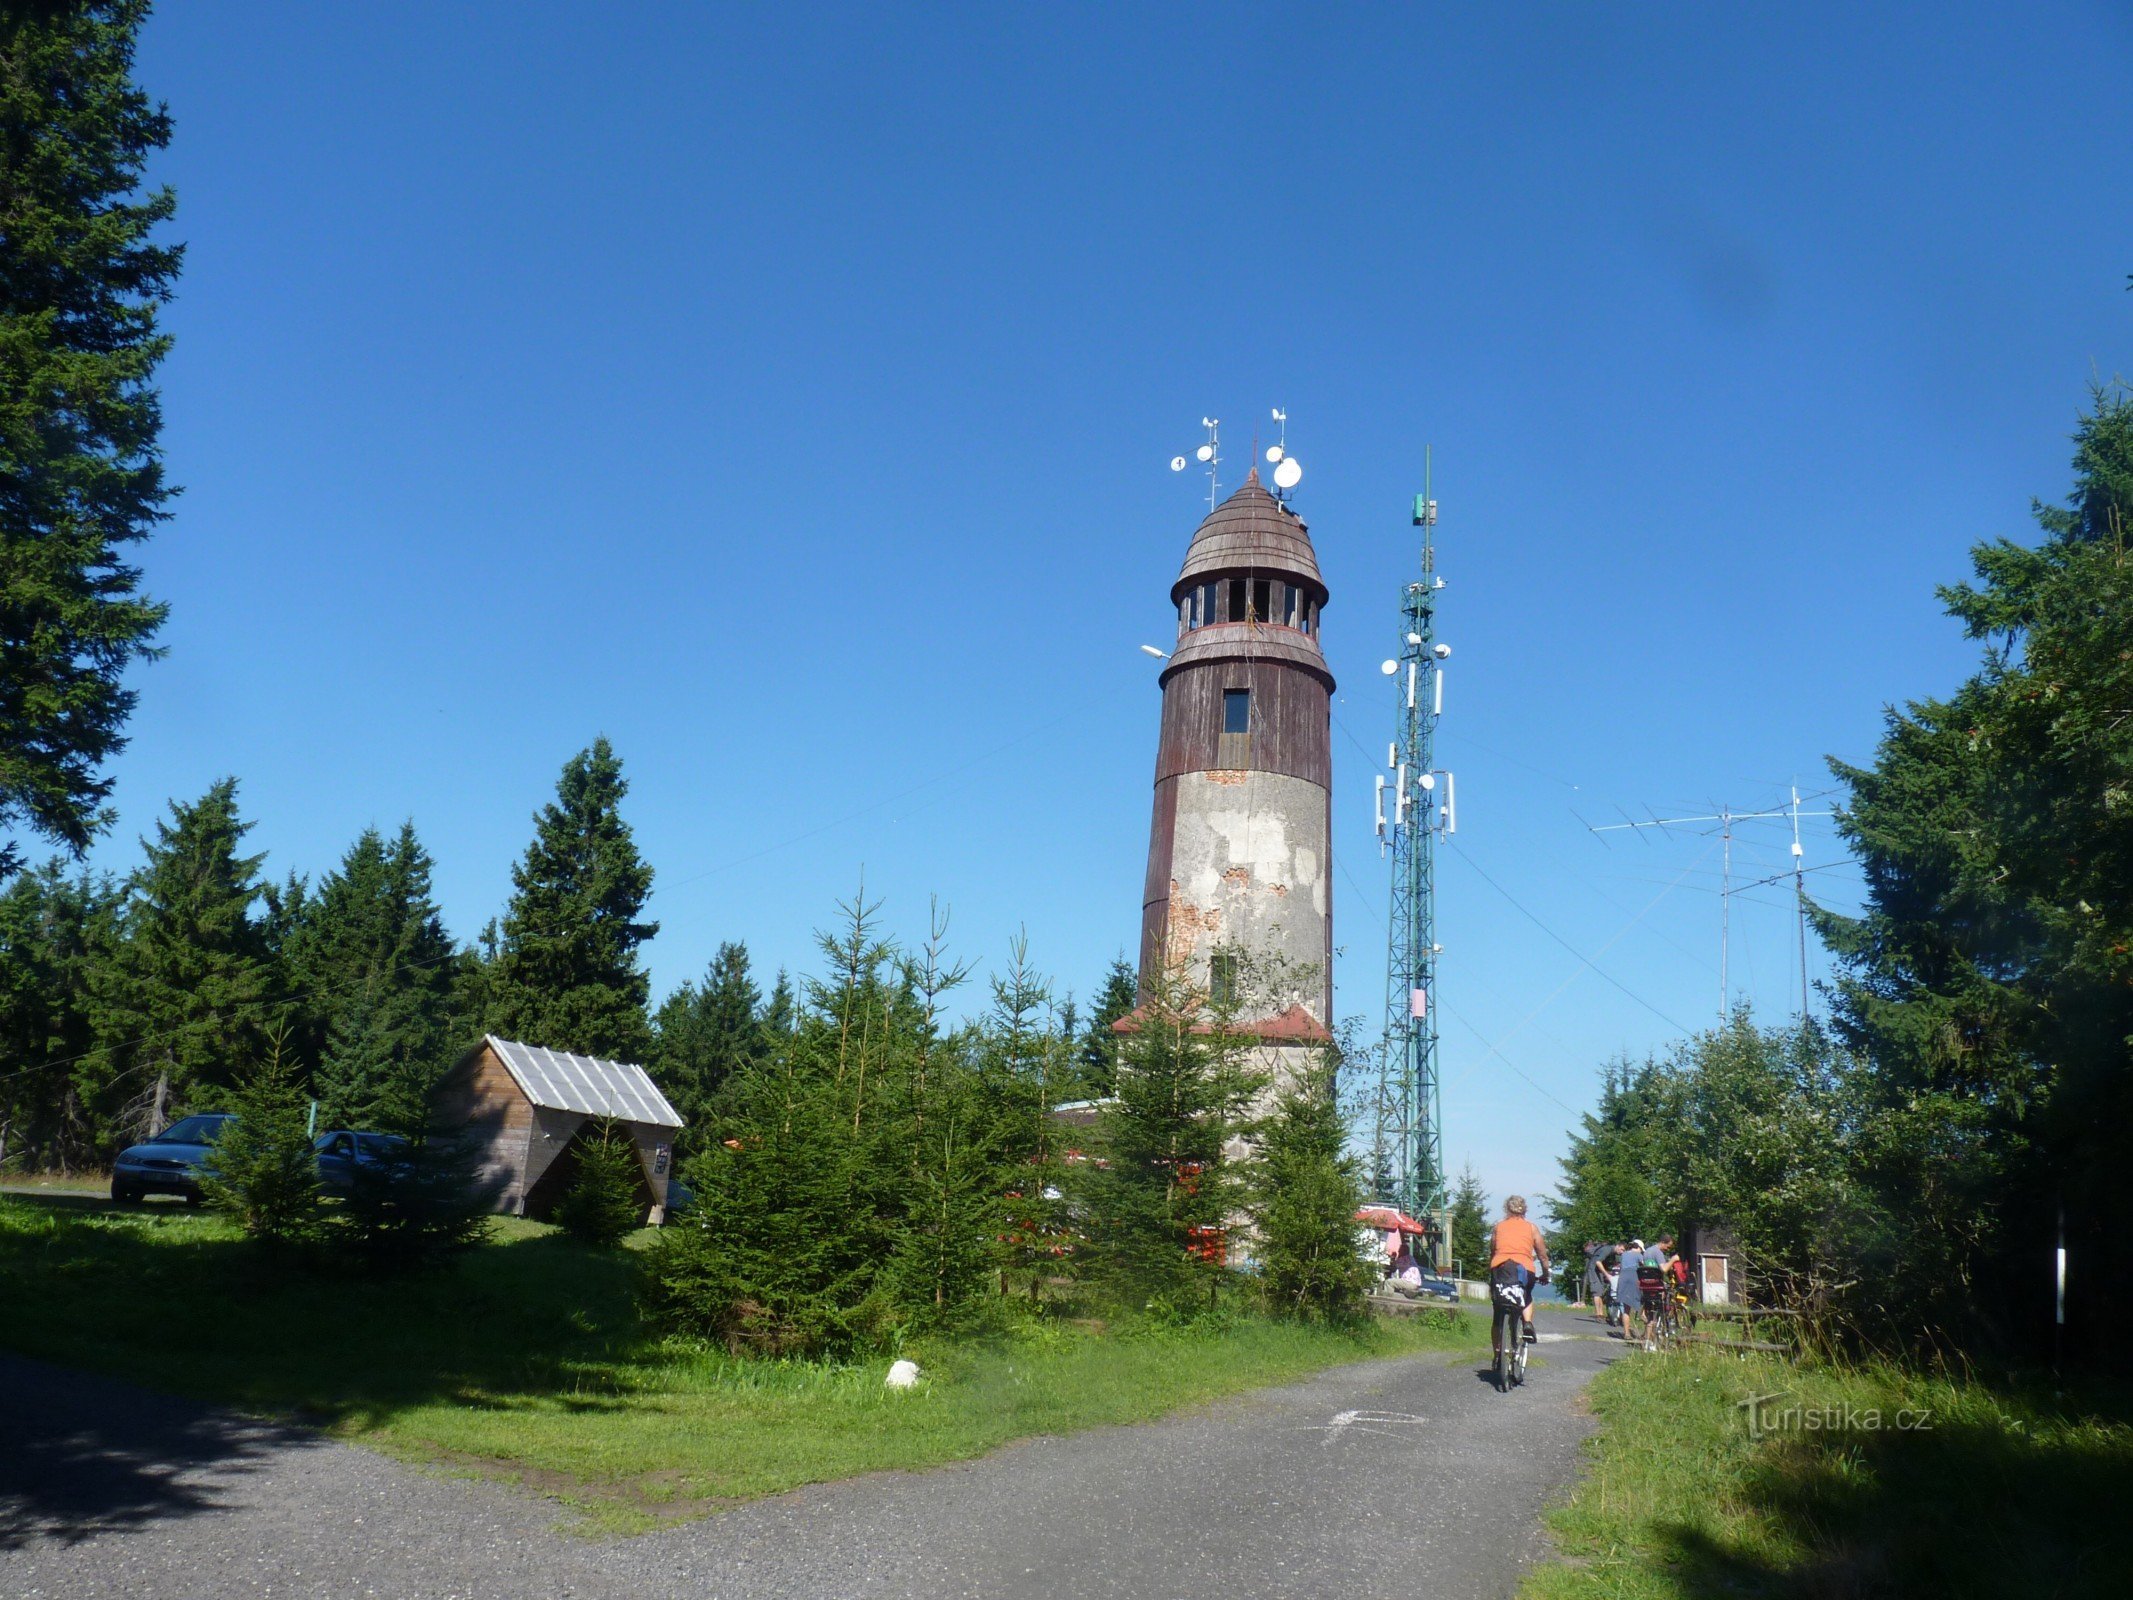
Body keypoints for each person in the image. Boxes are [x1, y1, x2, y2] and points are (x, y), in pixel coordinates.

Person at [1487, 1195, 1551, 1349]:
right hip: (1524, 1268)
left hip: (1500, 1268)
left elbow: (1492, 1249)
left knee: (1498, 1311)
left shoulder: (1498, 1226)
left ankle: (1497, 1355)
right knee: (1526, 1295)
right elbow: (1542, 1255)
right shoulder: (1531, 1228)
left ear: (1506, 1209)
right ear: (1525, 1210)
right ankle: (1527, 1323)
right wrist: (1545, 1273)